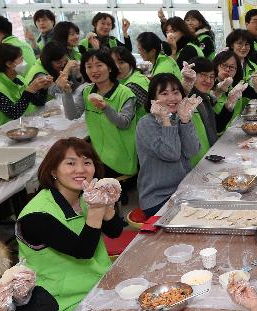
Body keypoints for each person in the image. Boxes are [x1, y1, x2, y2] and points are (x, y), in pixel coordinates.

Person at [16, 138, 126, 311]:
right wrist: (97, 209)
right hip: (62, 304)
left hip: (98, 287)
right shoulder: (36, 216)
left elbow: (115, 231)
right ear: (53, 171)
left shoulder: (85, 196)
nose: (81, 169)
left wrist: (106, 205)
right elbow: (83, 251)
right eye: (70, 163)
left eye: (87, 162)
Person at [62, 49, 138, 177]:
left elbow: (124, 123)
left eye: (99, 65)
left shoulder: (125, 93)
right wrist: (66, 92)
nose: (94, 70)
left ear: (109, 67)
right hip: (98, 155)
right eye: (89, 66)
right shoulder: (86, 91)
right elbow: (72, 115)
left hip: (121, 158)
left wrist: (106, 108)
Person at [135, 74, 202, 217]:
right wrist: (165, 120)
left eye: (176, 92)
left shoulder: (178, 117)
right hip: (158, 197)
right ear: (153, 99)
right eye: (164, 93)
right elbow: (171, 154)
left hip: (183, 189)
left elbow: (192, 151)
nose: (172, 98)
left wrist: (185, 121)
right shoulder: (146, 123)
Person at [0, 43, 51, 134]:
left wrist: (43, 88)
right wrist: (29, 91)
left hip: (19, 128)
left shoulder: (18, 79)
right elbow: (14, 113)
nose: (24, 62)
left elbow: (39, 102)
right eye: (21, 59)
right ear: (9, 64)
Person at [211, 49, 257, 127]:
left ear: (236, 71)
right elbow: (217, 126)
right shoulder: (209, 87)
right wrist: (217, 93)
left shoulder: (235, 85)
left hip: (236, 128)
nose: (227, 70)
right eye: (224, 65)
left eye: (232, 67)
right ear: (216, 66)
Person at [23, 40, 75, 111]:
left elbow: (73, 87)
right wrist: (66, 71)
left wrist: (77, 75)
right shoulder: (39, 73)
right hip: (34, 112)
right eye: (59, 63)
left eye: (64, 61)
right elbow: (55, 93)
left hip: (52, 107)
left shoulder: (59, 61)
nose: (63, 64)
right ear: (49, 61)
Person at [111, 46, 149, 119]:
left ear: (130, 63)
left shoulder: (131, 86)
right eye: (112, 63)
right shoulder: (136, 74)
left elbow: (120, 117)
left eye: (121, 62)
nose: (117, 67)